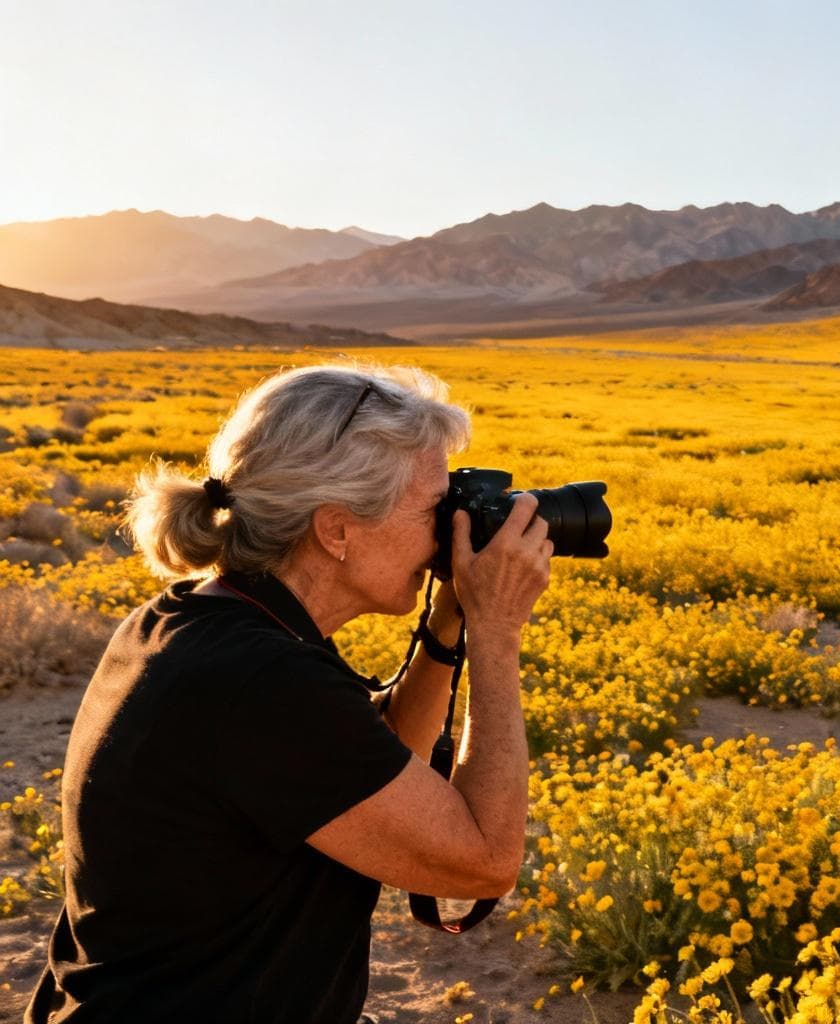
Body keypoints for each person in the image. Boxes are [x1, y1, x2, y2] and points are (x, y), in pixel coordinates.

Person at [26, 364, 550, 1023]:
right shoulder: (257, 683)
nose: (448, 532)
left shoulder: (205, 623)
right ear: (336, 530)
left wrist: (453, 619)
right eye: (433, 511)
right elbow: (483, 862)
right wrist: (498, 633)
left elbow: (376, 764)